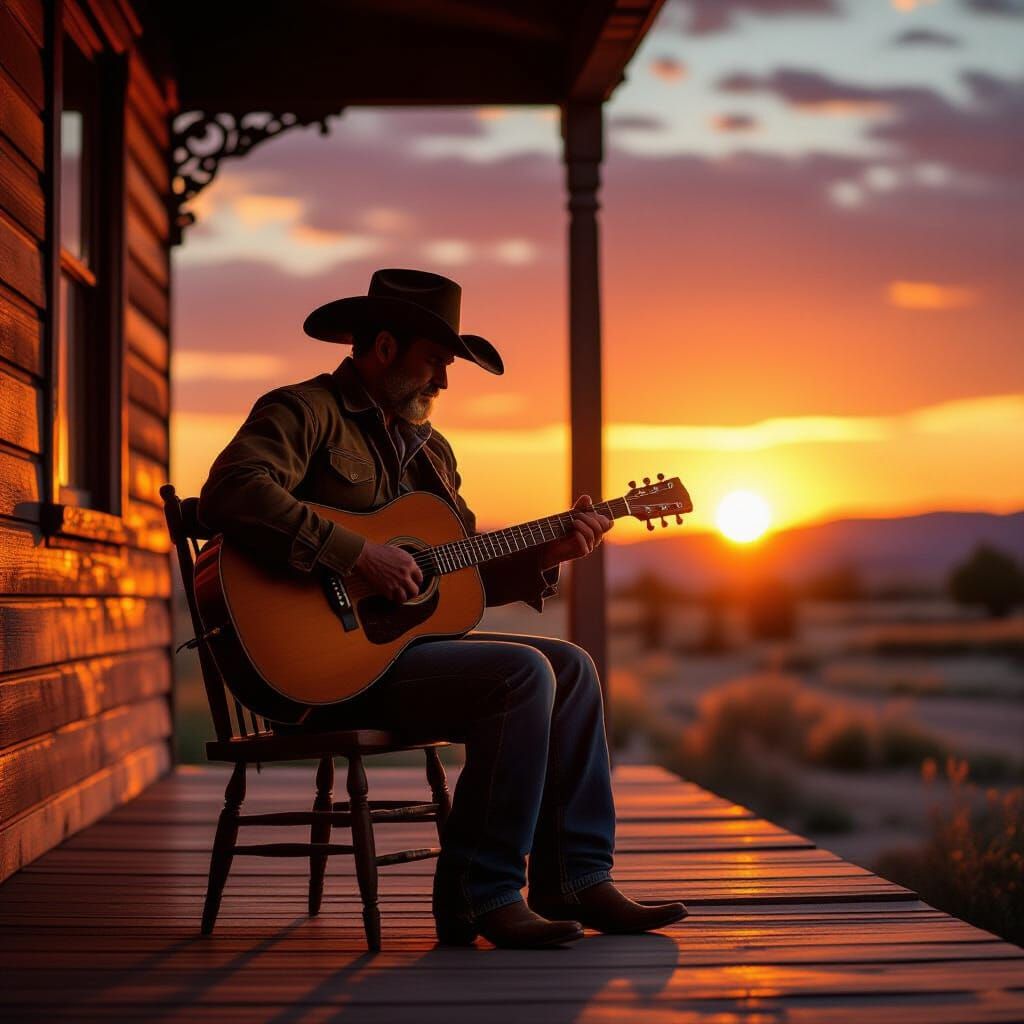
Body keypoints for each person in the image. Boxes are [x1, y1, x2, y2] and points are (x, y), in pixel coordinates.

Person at [197, 268, 688, 949]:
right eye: (436, 361)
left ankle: (578, 878)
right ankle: (477, 895)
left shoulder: (434, 455)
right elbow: (232, 490)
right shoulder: (302, 410)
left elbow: (457, 570)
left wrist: (549, 555)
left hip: (393, 656)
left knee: (571, 667)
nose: (445, 382)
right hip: (312, 672)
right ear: (386, 347)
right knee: (523, 677)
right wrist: (356, 555)